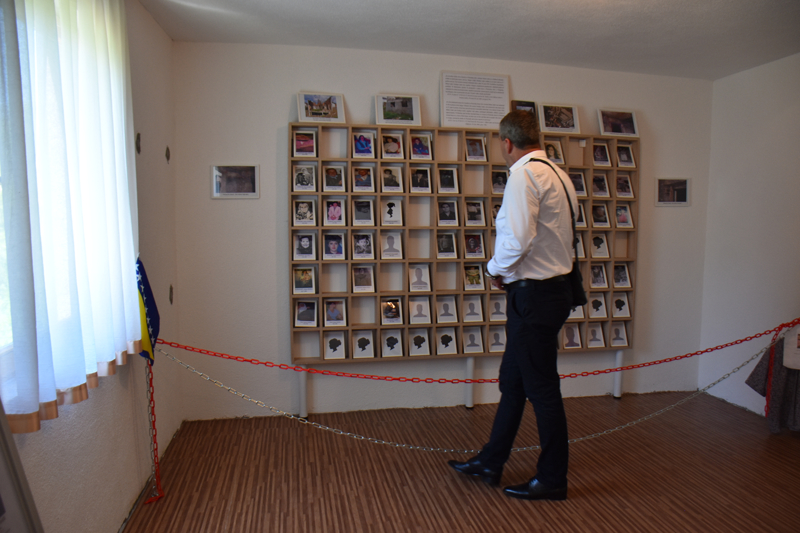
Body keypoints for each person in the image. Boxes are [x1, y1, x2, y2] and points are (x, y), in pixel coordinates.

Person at [448, 110, 577, 502]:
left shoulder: (524, 175)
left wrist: (493, 269)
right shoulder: (558, 173)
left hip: (534, 295)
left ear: (506, 142)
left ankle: (552, 479)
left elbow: (518, 239)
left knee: (542, 389)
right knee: (514, 382)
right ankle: (491, 460)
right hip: (551, 292)